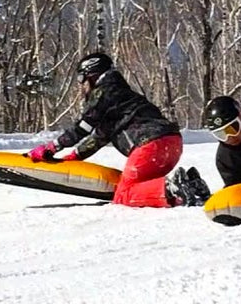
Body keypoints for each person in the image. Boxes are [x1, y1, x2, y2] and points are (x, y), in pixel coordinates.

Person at [27, 52, 210, 207]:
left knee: (124, 195)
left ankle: (173, 190)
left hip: (150, 146)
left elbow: (84, 127)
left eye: (81, 79)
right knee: (144, 186)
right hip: (172, 144)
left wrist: (52, 147)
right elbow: (100, 135)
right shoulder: (121, 95)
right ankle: (191, 185)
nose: (82, 86)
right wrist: (74, 157)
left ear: (91, 74)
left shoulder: (103, 92)